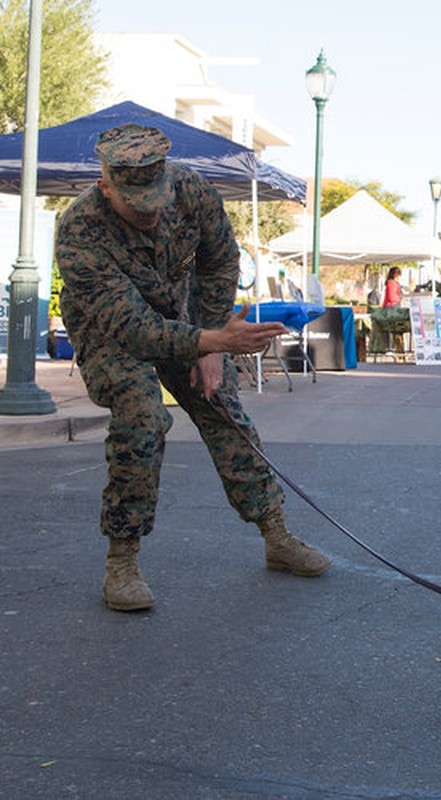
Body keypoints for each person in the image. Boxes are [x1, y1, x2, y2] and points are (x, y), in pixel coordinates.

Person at [56, 123, 332, 612]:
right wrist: (212, 340)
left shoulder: (191, 190)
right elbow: (133, 326)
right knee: (142, 418)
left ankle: (276, 535)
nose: (151, 211)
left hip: (189, 321)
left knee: (225, 413)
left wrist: (210, 348)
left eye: (157, 198)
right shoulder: (80, 229)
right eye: (137, 203)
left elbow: (221, 262)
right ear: (106, 186)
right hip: (114, 337)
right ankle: (122, 560)